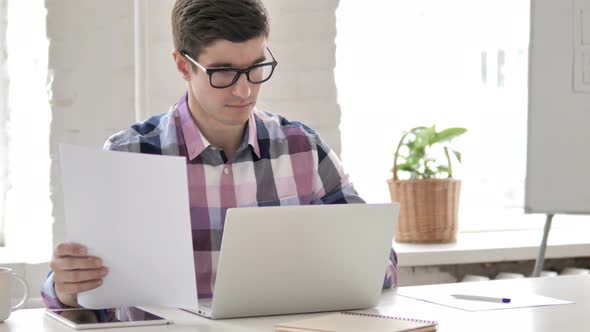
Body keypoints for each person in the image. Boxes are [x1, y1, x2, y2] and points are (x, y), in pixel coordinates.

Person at [42, 0, 398, 309]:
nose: (244, 90)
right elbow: (82, 297)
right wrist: (66, 287)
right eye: (224, 72)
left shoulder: (302, 149)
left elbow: (379, 259)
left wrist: (367, 265)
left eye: (256, 68)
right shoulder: (129, 155)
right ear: (184, 66)